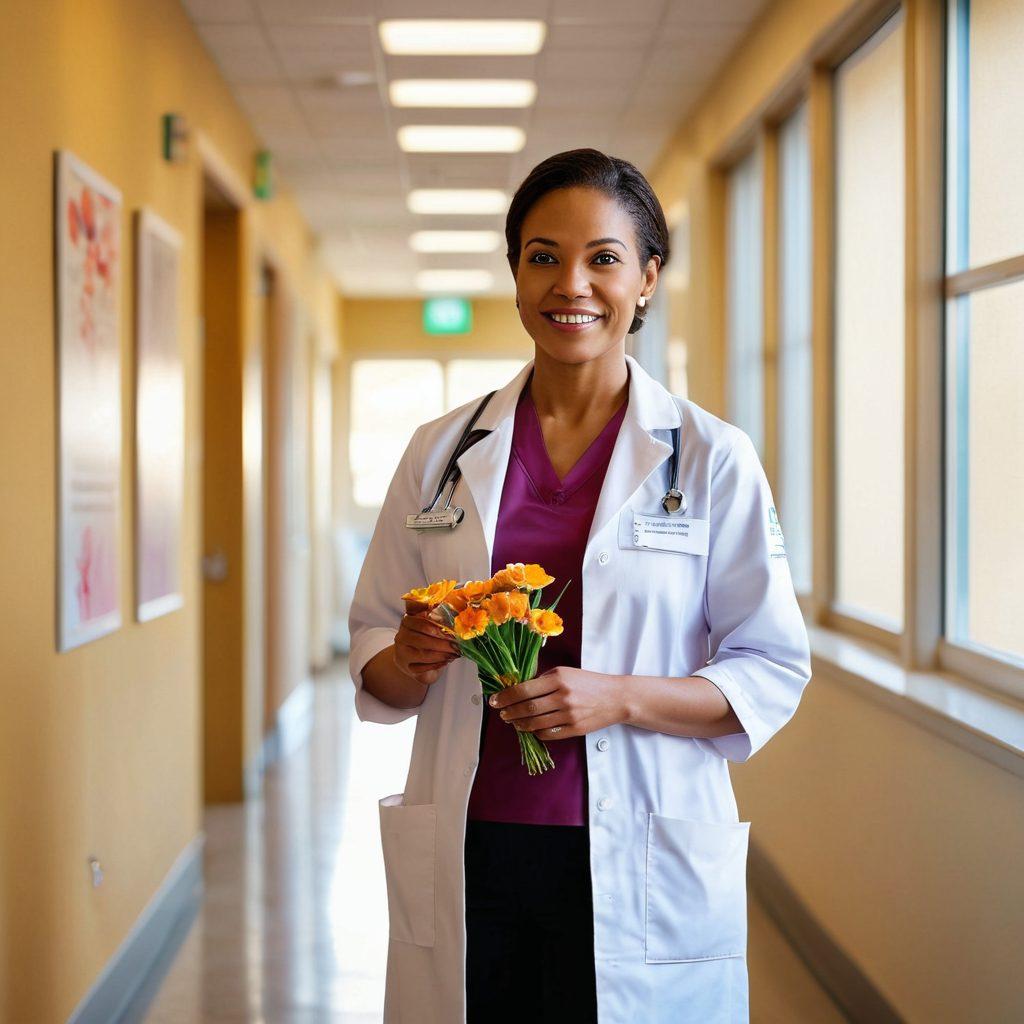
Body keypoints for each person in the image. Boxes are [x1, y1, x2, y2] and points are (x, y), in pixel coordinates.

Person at [347, 148, 812, 1024]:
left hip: (642, 847)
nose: (572, 284)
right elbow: (374, 646)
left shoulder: (710, 457)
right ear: (517, 276)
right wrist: (408, 657)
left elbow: (771, 668)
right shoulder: (439, 451)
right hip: (472, 839)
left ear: (646, 279)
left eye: (603, 257)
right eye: (543, 255)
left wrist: (621, 697)